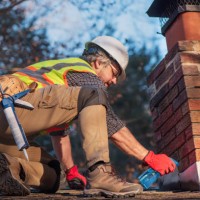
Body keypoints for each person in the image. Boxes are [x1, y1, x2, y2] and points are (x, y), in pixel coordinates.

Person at [0, 36, 176, 197]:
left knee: (53, 175)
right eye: (114, 73)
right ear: (98, 63)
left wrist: (70, 171)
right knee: (94, 95)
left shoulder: (58, 88)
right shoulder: (84, 73)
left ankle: (10, 167)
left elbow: (59, 133)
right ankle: (101, 174)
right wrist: (149, 157)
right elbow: (109, 121)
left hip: (9, 130)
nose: (114, 81)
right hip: (8, 107)